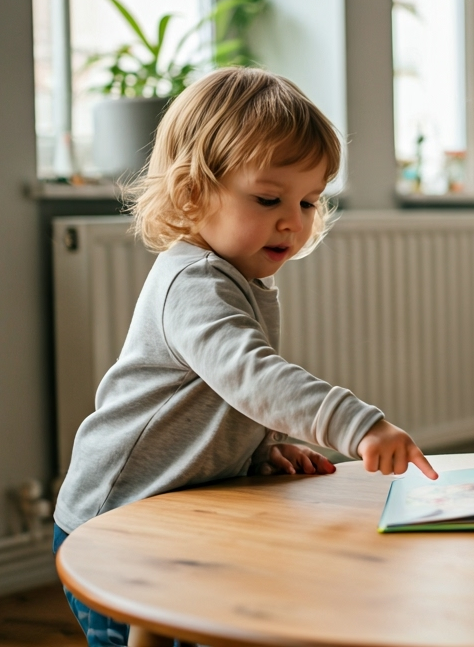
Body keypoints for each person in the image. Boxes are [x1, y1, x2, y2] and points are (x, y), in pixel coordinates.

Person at [52, 67, 438, 647]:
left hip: (171, 518)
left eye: (309, 201)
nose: (293, 221)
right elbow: (252, 376)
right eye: (268, 199)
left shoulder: (237, 278)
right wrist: (356, 424)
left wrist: (263, 448)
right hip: (118, 521)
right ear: (192, 193)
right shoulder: (194, 282)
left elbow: (217, 397)